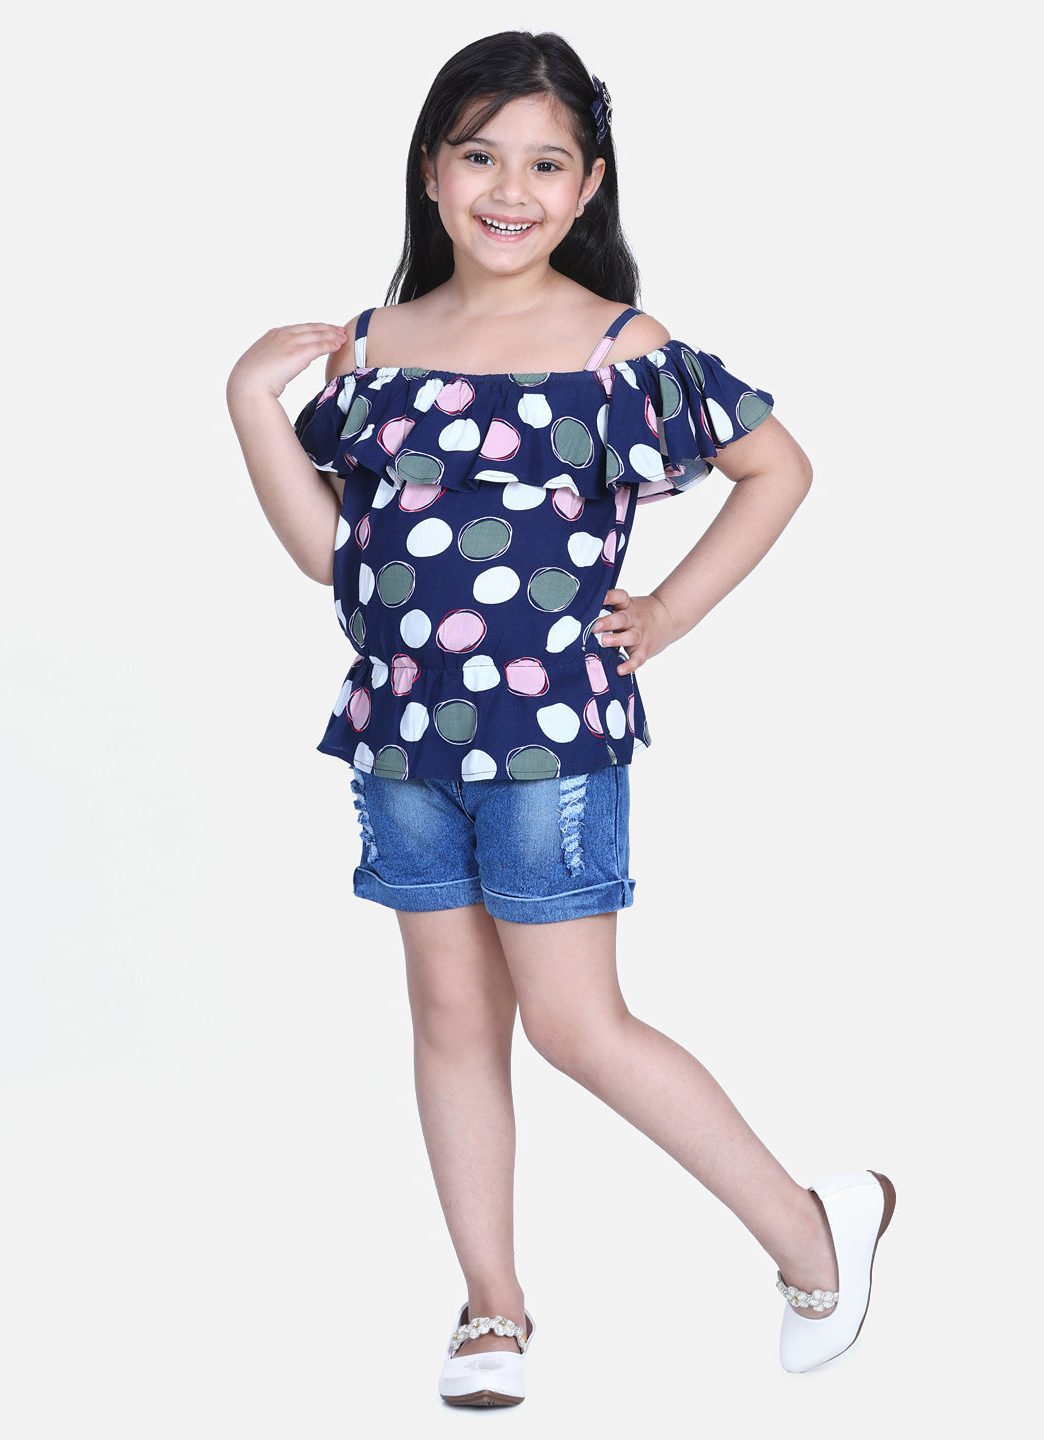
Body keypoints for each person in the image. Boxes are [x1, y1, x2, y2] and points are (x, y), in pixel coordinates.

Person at [226, 29, 895, 1409]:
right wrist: (249, 405)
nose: (508, 189)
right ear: (431, 170)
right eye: (480, 155)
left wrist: (671, 611)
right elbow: (328, 553)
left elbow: (777, 467)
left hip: (547, 744)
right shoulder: (373, 347)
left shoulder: (617, 350)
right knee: (449, 1016)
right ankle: (492, 1306)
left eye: (544, 163)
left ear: (588, 187)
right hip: (402, 740)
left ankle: (814, 1233)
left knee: (577, 1025)